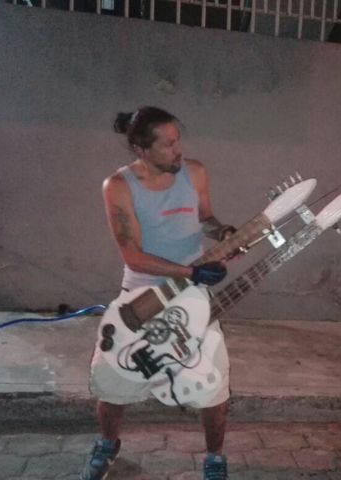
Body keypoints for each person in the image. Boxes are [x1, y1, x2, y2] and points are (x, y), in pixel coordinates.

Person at [80, 106, 235, 480]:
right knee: (112, 381)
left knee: (213, 387)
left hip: (194, 297)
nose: (178, 151)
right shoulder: (118, 186)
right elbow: (132, 255)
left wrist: (225, 233)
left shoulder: (194, 172)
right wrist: (191, 271)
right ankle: (107, 444)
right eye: (167, 145)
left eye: (178, 140)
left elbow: (205, 218)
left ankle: (214, 458)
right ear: (141, 149)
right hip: (141, 297)